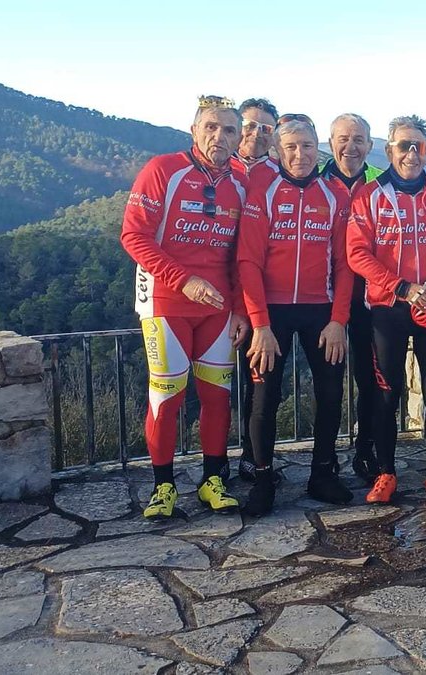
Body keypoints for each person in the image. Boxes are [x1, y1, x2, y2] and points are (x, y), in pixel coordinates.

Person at [120, 95, 249, 519]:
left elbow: (242, 255)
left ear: (239, 138)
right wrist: (184, 280)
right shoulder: (163, 170)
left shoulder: (241, 182)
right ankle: (163, 487)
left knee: (217, 396)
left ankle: (213, 480)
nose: (219, 136)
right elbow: (134, 236)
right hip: (165, 302)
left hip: (218, 308)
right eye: (210, 126)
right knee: (167, 395)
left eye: (228, 129)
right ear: (194, 130)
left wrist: (240, 308)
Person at [346, 114, 426, 506]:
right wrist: (403, 287)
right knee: (387, 394)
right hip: (388, 309)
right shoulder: (369, 195)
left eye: (419, 146)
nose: (411, 154)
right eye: (404, 146)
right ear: (389, 151)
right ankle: (385, 473)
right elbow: (357, 254)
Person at [236, 117, 354, 515]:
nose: (300, 154)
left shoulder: (335, 195)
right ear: (277, 151)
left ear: (317, 147)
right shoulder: (263, 192)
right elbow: (248, 262)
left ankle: (322, 473)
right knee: (264, 396)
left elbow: (345, 264)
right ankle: (262, 478)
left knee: (330, 393)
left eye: (306, 146)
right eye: (291, 147)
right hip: (271, 312)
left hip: (321, 309)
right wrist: (260, 324)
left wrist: (338, 321)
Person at [319, 113, 385, 482]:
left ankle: (365, 450)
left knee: (370, 378)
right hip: (321, 296)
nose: (351, 147)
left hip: (369, 296)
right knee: (328, 383)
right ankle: (325, 459)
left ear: (370, 146)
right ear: (331, 144)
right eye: (343, 139)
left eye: (359, 139)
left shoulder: (380, 183)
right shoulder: (315, 180)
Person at [230, 97, 279, 484]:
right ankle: (213, 468)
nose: (257, 133)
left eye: (266, 128)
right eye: (249, 125)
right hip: (211, 295)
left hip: (260, 299)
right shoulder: (217, 168)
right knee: (211, 389)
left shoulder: (278, 175)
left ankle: (252, 458)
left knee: (258, 387)